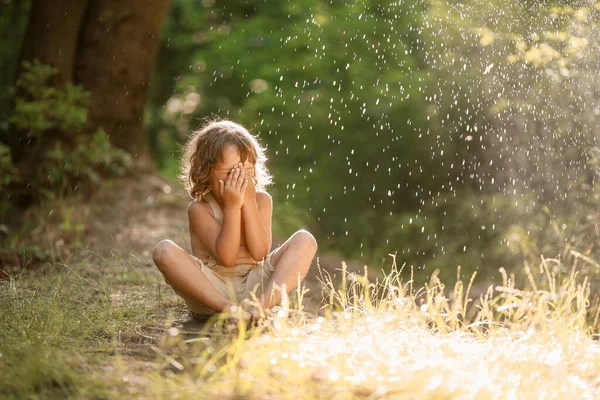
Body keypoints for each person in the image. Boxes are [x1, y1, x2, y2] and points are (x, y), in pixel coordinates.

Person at [152, 119, 317, 321]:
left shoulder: (261, 200)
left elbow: (259, 253)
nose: (238, 179)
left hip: (256, 286)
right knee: (164, 250)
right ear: (205, 172)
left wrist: (247, 203)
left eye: (246, 172)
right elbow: (227, 258)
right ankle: (230, 310)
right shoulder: (200, 209)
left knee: (305, 240)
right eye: (230, 172)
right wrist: (232, 207)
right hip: (212, 291)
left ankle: (261, 307)